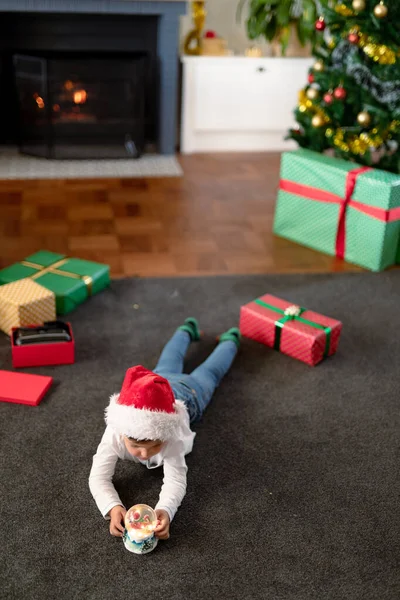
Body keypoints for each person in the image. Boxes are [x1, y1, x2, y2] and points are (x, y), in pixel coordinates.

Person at [89, 318, 241, 541]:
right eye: (136, 446)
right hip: (155, 386)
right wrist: (112, 507)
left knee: (210, 373)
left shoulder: (171, 433)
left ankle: (230, 340)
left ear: (164, 437)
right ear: (122, 433)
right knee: (170, 359)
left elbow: (176, 479)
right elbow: (97, 477)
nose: (144, 454)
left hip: (190, 395)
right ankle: (186, 329)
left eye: (154, 446)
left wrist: (166, 510)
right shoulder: (115, 431)